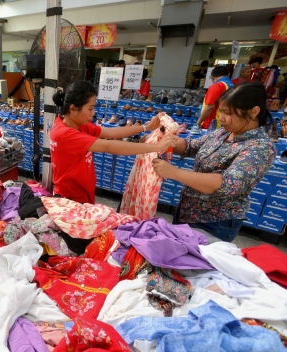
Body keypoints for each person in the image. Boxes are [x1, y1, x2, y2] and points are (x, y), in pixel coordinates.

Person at [152, 82, 276, 242]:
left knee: (196, 265)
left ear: (254, 111)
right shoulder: (223, 133)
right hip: (187, 211)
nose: (221, 118)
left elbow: (226, 183)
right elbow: (190, 146)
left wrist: (174, 173)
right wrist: (160, 141)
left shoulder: (260, 147)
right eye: (221, 111)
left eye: (228, 113)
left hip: (214, 221)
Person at [50, 80, 178, 204]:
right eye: (90, 109)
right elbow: (109, 146)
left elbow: (111, 133)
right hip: (71, 200)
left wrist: (146, 127)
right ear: (72, 109)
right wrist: (156, 147)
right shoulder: (66, 134)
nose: (93, 113)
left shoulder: (77, 125)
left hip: (82, 194)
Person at [192, 66, 233, 133]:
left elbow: (209, 106)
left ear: (212, 77)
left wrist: (198, 123)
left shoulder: (217, 86)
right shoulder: (232, 85)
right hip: (225, 122)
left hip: (213, 124)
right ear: (228, 75)